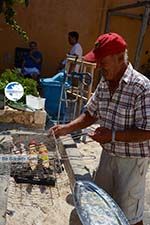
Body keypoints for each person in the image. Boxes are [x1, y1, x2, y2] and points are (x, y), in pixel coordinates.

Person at [49, 32, 150, 225]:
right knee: (101, 210)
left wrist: (112, 135)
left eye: (102, 61)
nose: (97, 67)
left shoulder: (142, 87)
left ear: (120, 58)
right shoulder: (105, 82)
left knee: (130, 216)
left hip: (131, 162)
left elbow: (147, 131)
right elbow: (90, 113)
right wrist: (66, 128)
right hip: (107, 156)